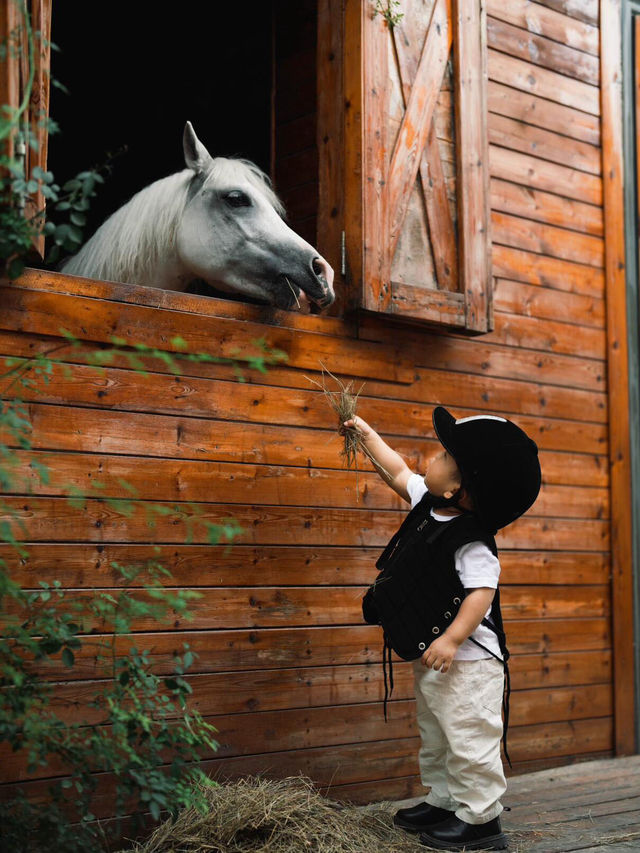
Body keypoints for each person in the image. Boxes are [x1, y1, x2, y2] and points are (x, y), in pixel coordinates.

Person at [341, 406, 541, 852]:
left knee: (469, 737)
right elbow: (395, 469)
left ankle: (481, 821)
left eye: (446, 456)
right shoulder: (431, 506)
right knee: (436, 734)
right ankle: (444, 800)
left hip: (468, 662)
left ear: (459, 488)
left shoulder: (471, 540)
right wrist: (367, 433)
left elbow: (480, 593)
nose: (434, 458)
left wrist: (452, 639)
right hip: (436, 657)